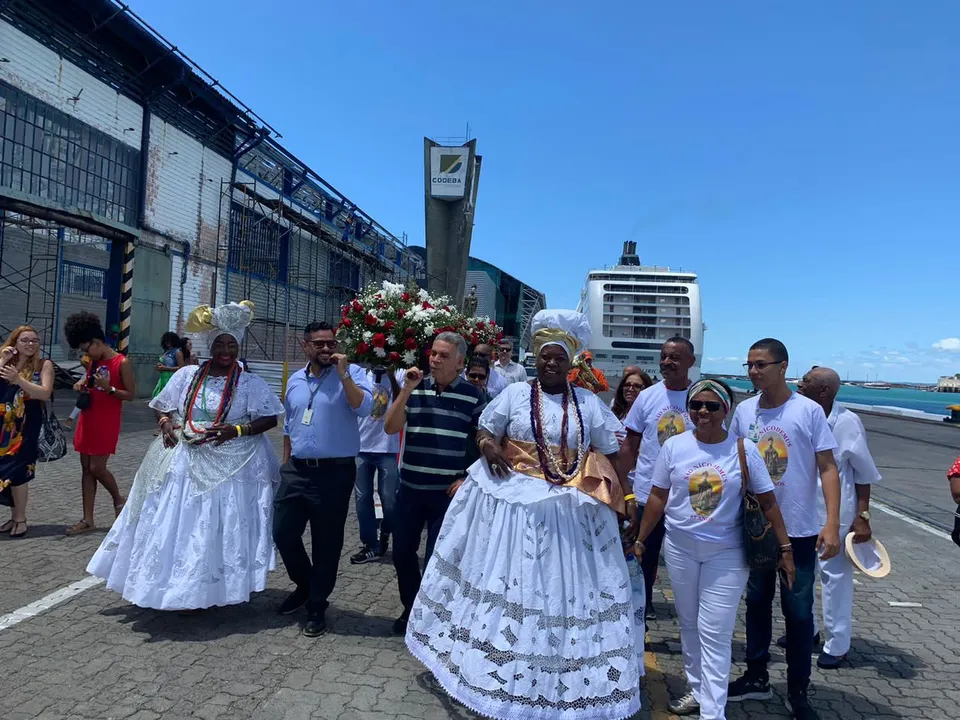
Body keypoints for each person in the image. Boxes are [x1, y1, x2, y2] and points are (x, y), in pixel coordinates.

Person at [404, 310, 643, 720]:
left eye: (560, 359)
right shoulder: (515, 394)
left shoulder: (587, 402)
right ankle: (493, 675)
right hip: (513, 507)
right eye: (545, 357)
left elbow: (610, 450)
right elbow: (484, 428)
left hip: (570, 512)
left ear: (571, 364)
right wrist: (487, 446)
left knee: (558, 593)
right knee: (514, 587)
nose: (551, 364)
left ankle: (555, 681)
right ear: (536, 358)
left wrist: (626, 498)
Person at [87, 301, 283, 610]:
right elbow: (163, 403)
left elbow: (271, 418)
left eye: (232, 344)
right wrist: (165, 422)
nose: (226, 350)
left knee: (221, 521)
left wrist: (238, 430)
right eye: (220, 343)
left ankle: (217, 587)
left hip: (234, 459)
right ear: (210, 345)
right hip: (183, 453)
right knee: (178, 518)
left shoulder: (249, 382)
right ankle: (172, 583)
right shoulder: (188, 375)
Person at [636, 379, 794, 718]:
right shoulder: (674, 447)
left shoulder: (744, 449)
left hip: (727, 553)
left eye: (711, 406)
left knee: (716, 632)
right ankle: (697, 690)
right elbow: (658, 498)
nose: (702, 412)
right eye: (696, 405)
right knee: (689, 624)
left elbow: (768, 502)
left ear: (726, 409)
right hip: (680, 549)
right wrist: (640, 538)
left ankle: (713, 712)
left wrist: (785, 547)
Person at [727, 339, 842, 720]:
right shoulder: (744, 411)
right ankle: (756, 675)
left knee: (798, 611)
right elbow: (734, 463)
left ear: (783, 366)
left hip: (801, 530)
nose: (754, 371)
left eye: (761, 365)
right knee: (757, 604)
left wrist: (832, 523)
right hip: (757, 529)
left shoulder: (807, 411)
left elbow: (828, 467)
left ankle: (798, 690)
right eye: (749, 365)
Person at [273, 322, 373, 637]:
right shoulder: (295, 380)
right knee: (283, 533)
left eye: (331, 343)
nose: (327, 349)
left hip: (334, 472)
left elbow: (364, 407)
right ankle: (305, 584)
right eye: (319, 344)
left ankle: (317, 604)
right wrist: (286, 461)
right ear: (306, 346)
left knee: (327, 543)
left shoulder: (353, 374)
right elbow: (290, 422)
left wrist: (343, 374)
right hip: (297, 469)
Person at [384, 331, 485, 636]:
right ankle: (411, 607)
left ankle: (430, 618)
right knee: (402, 553)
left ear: (459, 362)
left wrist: (468, 477)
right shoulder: (414, 389)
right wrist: (406, 390)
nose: (435, 359)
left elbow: (487, 441)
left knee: (435, 560)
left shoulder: (474, 395)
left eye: (443, 355)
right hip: (410, 488)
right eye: (433, 353)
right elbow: (390, 427)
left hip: (446, 494)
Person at [796, 366, 881, 669]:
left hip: (836, 515)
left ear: (824, 391)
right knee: (802, 578)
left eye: (805, 382)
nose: (798, 385)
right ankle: (810, 631)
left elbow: (863, 472)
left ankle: (838, 643)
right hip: (801, 512)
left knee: (835, 581)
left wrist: (863, 515)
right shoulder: (800, 413)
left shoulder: (847, 422)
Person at [618, 337, 695, 619]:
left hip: (687, 497)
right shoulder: (647, 397)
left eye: (674, 357)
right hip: (646, 493)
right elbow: (630, 445)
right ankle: (641, 607)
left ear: (691, 362)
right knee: (643, 555)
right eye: (663, 356)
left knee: (684, 559)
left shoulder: (699, 398)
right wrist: (619, 484)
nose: (666, 362)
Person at [63, 312, 136, 536]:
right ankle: (88, 518)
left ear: (97, 342)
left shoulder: (121, 362)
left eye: (86, 348)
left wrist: (109, 388)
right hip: (88, 417)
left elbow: (131, 394)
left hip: (107, 421)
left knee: (97, 468)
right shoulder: (93, 362)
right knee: (86, 469)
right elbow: (88, 381)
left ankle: (119, 500)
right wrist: (81, 382)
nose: (85, 354)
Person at [0, 326, 55, 538]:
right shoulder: (7, 361)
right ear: (15, 342)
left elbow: (44, 393)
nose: (30, 344)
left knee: (19, 470)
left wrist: (19, 379)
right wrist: (3, 360)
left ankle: (21, 519)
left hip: (26, 427)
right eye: (25, 340)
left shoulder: (44, 365)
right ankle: (14, 517)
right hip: (5, 427)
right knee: (5, 470)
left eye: (34, 341)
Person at [350, 366, 403, 565]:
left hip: (387, 446)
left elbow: (407, 392)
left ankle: (386, 532)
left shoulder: (397, 375)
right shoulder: (360, 375)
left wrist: (391, 373)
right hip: (361, 446)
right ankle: (370, 544)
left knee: (389, 499)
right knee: (362, 498)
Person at [153, 331, 183, 399]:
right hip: (162, 378)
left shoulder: (177, 352)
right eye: (166, 341)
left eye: (170, 341)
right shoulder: (166, 352)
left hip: (172, 378)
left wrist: (165, 368)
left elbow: (181, 368)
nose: (167, 343)